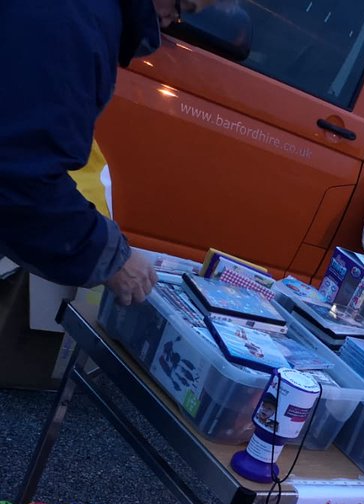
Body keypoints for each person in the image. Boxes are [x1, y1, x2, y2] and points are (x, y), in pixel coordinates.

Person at [0, 0, 215, 307]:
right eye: (182, 8)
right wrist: (110, 256)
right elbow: (20, 173)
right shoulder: (72, 21)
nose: (169, 23)